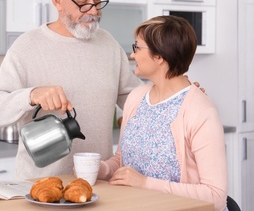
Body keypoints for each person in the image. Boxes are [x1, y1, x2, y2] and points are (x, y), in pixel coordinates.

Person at [0, 0, 142, 179]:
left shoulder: (109, 45)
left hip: (98, 183)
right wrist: (31, 95)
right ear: (57, 0)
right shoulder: (26, 47)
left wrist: (178, 96)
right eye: (83, 1)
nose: (93, 11)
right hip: (40, 188)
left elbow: (136, 100)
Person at [97, 15, 228, 211]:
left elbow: (216, 196)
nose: (132, 55)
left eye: (137, 48)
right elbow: (122, 158)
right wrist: (102, 169)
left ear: (159, 56)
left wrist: (145, 183)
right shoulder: (136, 97)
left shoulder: (201, 111)